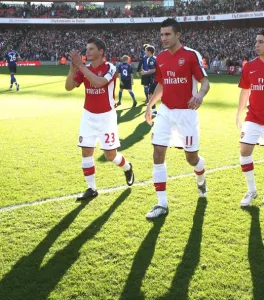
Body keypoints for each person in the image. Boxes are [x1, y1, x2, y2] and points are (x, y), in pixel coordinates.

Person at [144, 18, 210, 219]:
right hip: (165, 111)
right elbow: (162, 85)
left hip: (187, 114)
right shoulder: (161, 58)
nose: (163, 38)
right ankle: (161, 204)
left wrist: (199, 95)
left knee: (191, 158)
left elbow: (205, 81)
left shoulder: (191, 55)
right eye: (161, 34)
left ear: (178, 34)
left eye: (167, 34)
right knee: (157, 153)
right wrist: (149, 105)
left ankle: (201, 177)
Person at [65, 37, 135, 201]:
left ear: (101, 51)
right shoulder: (85, 68)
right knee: (86, 152)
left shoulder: (109, 67)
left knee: (110, 155)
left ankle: (127, 166)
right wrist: (72, 70)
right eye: (87, 49)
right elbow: (68, 87)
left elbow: (99, 82)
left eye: (91, 49)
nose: (87, 52)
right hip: (88, 116)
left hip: (106, 117)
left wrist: (81, 67)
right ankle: (91, 188)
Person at [236, 29, 264, 207]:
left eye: (260, 42)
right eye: (256, 42)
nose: (257, 45)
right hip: (253, 116)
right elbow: (245, 90)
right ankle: (252, 190)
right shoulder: (249, 66)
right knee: (244, 151)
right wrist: (239, 114)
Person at [140, 45, 157, 117]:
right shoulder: (154, 58)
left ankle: (154, 111)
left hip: (154, 79)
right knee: (152, 94)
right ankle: (154, 110)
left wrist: (145, 73)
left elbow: (154, 70)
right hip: (156, 79)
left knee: (151, 95)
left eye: (146, 51)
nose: (145, 52)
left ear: (149, 52)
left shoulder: (151, 59)